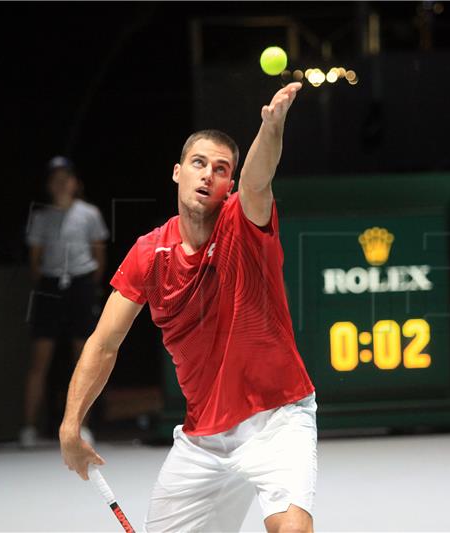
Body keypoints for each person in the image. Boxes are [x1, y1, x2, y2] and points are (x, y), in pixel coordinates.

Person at [60, 82, 317, 533]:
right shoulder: (148, 254)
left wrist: (271, 127)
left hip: (277, 418)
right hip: (204, 440)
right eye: (198, 164)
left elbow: (259, 177)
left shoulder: (244, 221)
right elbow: (103, 344)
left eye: (221, 169)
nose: (208, 175)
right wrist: (71, 424)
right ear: (177, 172)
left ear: (228, 185)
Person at [20, 156, 108, 448]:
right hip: (50, 286)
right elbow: (34, 261)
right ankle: (29, 427)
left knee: (84, 358)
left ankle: (82, 426)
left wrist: (86, 285)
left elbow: (99, 257)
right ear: (48, 184)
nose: (60, 182)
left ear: (75, 182)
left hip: (81, 285)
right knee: (39, 360)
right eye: (55, 178)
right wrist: (49, 282)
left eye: (65, 177)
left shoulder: (90, 213)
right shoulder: (41, 216)